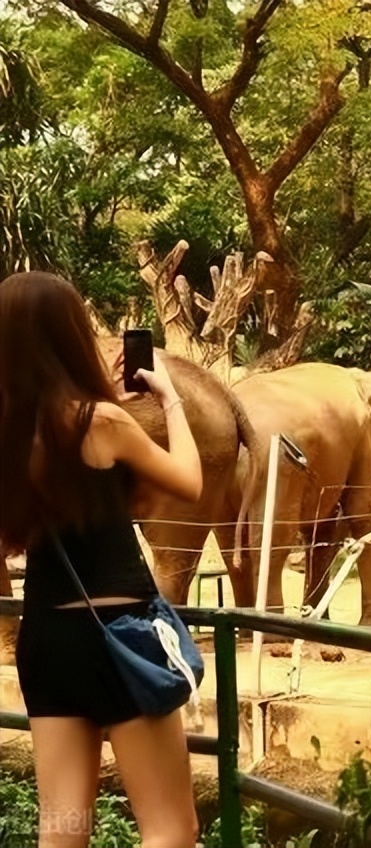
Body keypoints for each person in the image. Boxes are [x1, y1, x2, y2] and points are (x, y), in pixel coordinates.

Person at [0, 271, 203, 848]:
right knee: (171, 830)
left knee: (62, 830)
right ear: (66, 335)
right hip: (122, 637)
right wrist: (171, 400)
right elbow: (186, 482)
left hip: (47, 638)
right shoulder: (101, 423)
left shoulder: (11, 434)